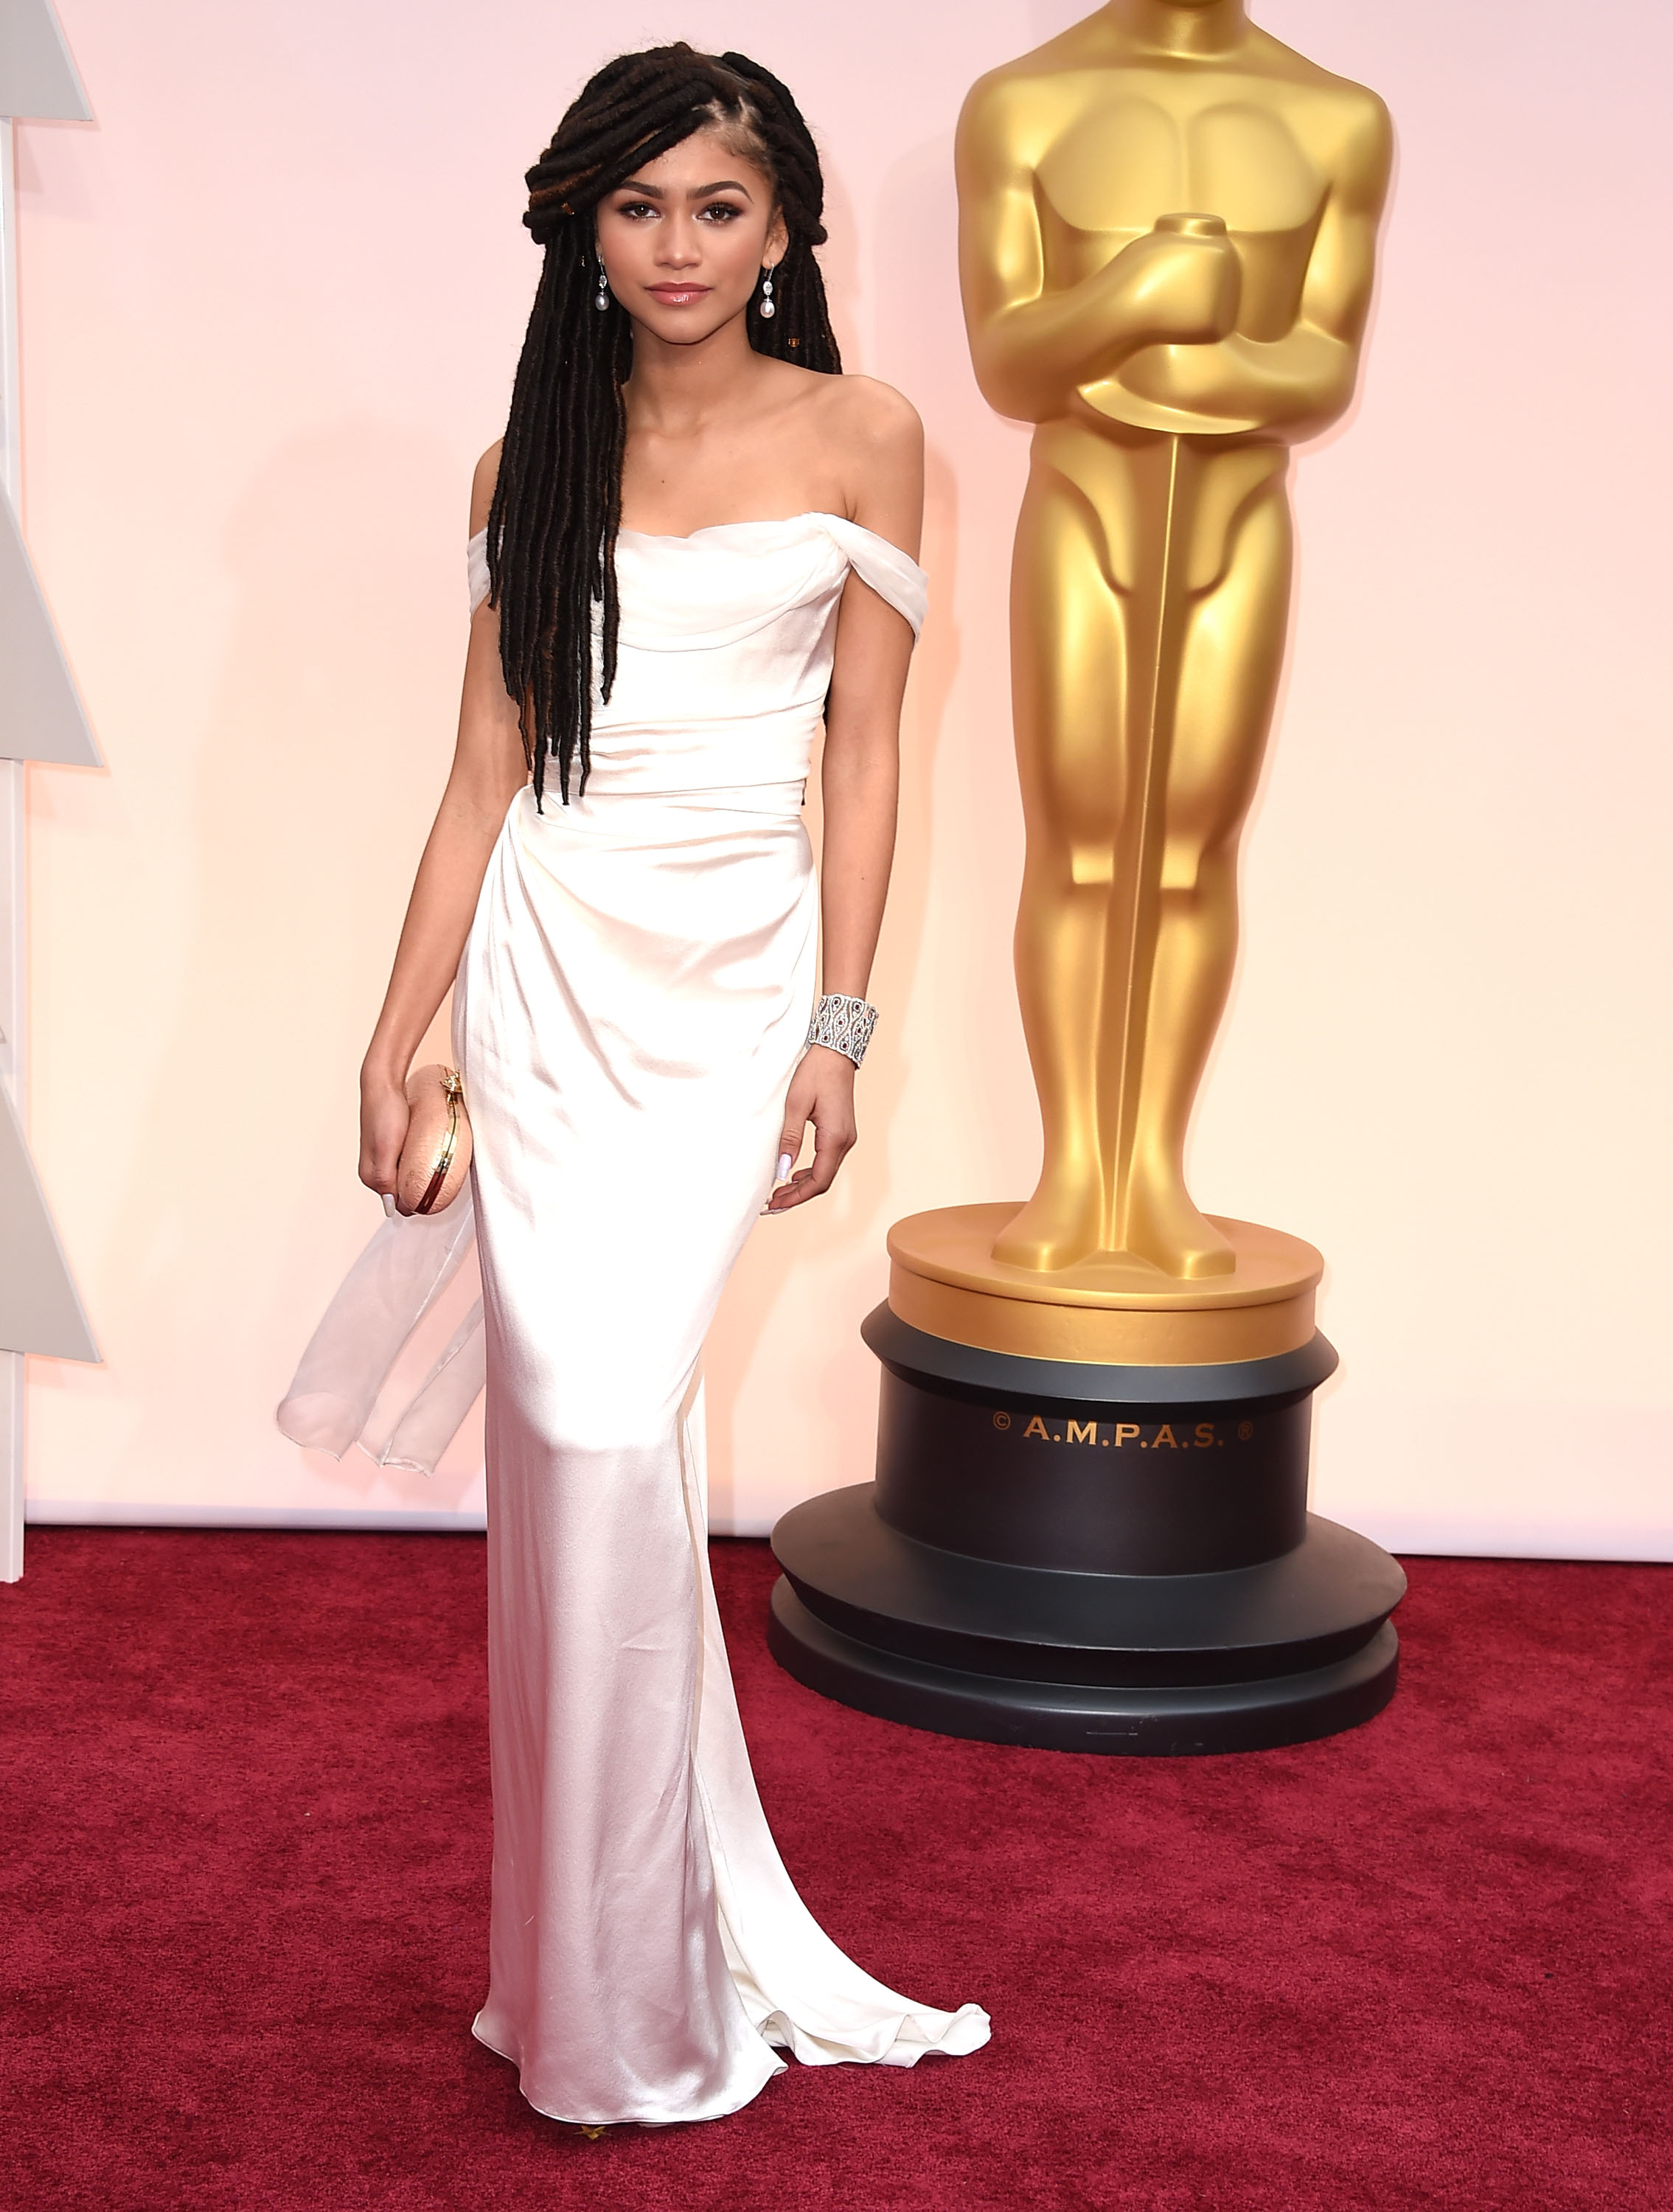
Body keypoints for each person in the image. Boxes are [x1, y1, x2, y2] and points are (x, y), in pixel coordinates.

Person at [284, 44, 987, 2128]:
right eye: (639, 208)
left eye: (718, 207)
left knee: (615, 1436)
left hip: (733, 984)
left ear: (785, 232)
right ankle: (592, 1981)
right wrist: (394, 1030)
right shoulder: (530, 462)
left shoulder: (869, 433)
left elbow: (865, 752)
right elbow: (486, 771)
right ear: (581, 229)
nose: (678, 247)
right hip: (552, 979)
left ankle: (629, 1974)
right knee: (584, 1456)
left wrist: (838, 1029)